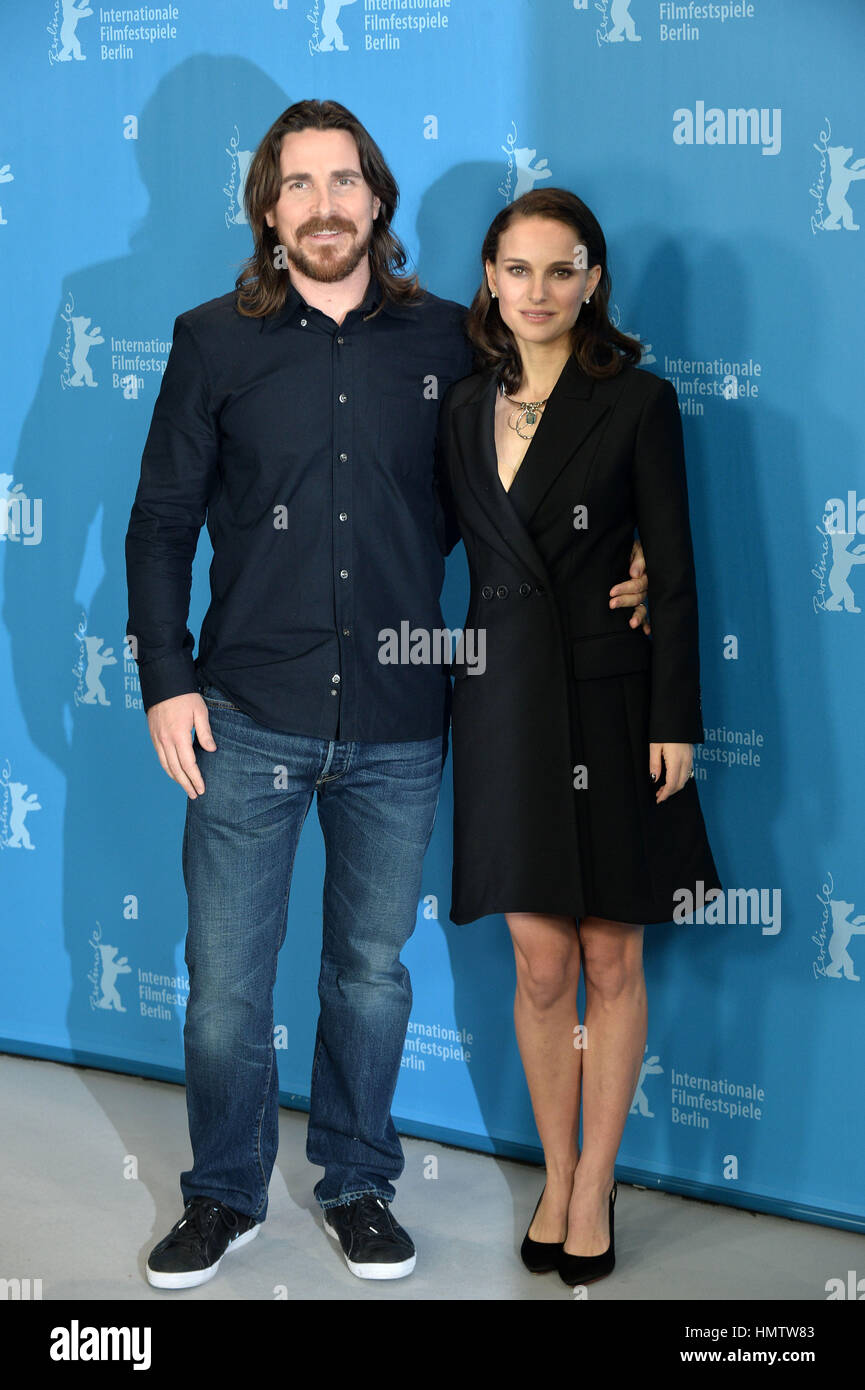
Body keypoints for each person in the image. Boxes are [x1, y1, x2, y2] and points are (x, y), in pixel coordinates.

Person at [125, 102, 650, 1289]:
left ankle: (359, 1182)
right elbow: (161, 522)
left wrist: (637, 557)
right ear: (269, 207)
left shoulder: (449, 344)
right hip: (244, 713)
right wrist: (166, 679)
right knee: (225, 988)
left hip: (408, 717)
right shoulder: (211, 340)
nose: (323, 205)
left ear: (377, 201)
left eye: (344, 182)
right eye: (299, 185)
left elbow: (550, 457)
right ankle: (222, 1195)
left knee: (369, 975)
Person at [434, 188, 722, 1287]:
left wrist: (675, 722)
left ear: (593, 279)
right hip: (503, 702)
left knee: (611, 953)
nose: (540, 292)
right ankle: (556, 1171)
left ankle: (596, 1181)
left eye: (563, 270)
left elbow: (678, 572)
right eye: (518, 269)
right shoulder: (458, 407)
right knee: (541, 964)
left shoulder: (636, 401)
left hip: (612, 701)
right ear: (490, 279)